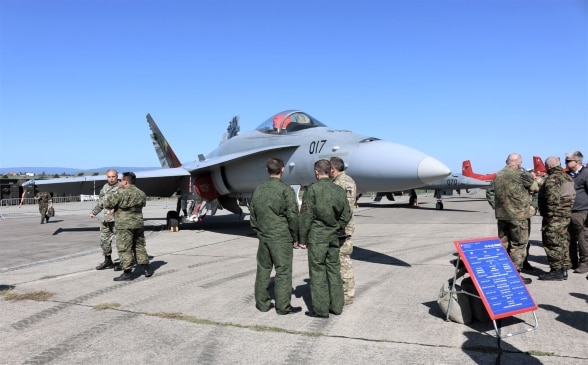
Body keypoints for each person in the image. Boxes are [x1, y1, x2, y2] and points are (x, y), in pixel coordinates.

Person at [249, 157, 302, 315]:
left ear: (267, 170)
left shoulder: (259, 189)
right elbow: (293, 216)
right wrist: (295, 236)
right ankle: (283, 306)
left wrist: (259, 231)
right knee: (283, 272)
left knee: (263, 270)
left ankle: (262, 304)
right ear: (283, 170)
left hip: (264, 236)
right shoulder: (286, 190)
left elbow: (253, 214)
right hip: (281, 237)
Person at [300, 159, 351, 318]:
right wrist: (337, 226)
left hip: (317, 237)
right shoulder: (338, 190)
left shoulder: (312, 190)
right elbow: (347, 214)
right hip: (333, 237)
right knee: (334, 270)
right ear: (330, 171)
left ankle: (321, 310)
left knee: (317, 272)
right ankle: (337, 306)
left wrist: (302, 238)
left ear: (316, 172)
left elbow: (306, 216)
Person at [486, 153, 538, 284]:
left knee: (503, 244)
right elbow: (535, 187)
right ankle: (515, 275)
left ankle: (503, 273)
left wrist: (497, 206)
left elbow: (490, 192)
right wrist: (531, 207)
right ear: (519, 162)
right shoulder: (521, 174)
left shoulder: (498, 175)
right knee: (518, 245)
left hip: (502, 216)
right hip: (519, 216)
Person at [105, 172, 152, 281]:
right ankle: (146, 269)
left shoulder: (122, 193)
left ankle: (127, 273)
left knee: (124, 248)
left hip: (124, 225)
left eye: (121, 180)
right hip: (138, 223)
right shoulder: (141, 193)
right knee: (139, 246)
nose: (120, 182)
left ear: (126, 181)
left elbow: (108, 204)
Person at [537, 156, 575, 281]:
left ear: (548, 166)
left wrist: (550, 216)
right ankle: (564, 268)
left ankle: (556, 270)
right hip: (565, 215)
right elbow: (572, 197)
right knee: (563, 241)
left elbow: (551, 200)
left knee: (552, 242)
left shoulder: (552, 179)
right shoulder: (568, 177)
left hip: (554, 217)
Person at [329, 157, 357, 305]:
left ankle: (347, 295)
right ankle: (342, 292)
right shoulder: (341, 181)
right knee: (340, 261)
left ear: (333, 169)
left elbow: (345, 208)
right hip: (340, 228)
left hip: (342, 229)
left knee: (344, 261)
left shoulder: (343, 183)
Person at [91, 169, 122, 270]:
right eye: (109, 177)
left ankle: (125, 262)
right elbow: (101, 202)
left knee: (121, 242)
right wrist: (94, 212)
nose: (111, 179)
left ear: (117, 176)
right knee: (104, 240)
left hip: (119, 219)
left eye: (113, 177)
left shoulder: (122, 187)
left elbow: (125, 202)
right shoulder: (105, 187)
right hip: (107, 219)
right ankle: (108, 260)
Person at [565, 151, 588, 274]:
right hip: (568, 211)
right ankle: (571, 261)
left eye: (568, 160)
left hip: (582, 211)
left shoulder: (586, 174)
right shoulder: (568, 175)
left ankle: (585, 263)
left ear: (577, 161)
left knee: (583, 238)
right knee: (568, 238)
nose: (566, 162)